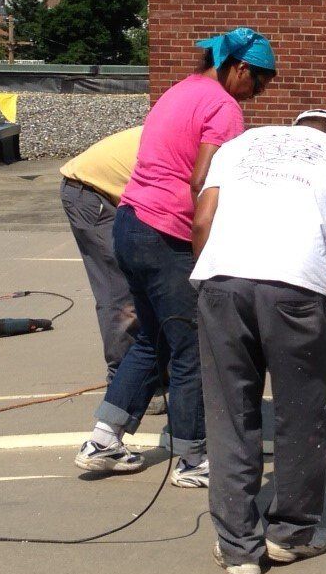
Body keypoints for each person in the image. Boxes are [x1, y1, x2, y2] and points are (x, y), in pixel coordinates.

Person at [74, 27, 275, 487]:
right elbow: (204, 180)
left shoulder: (181, 90)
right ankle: (192, 458)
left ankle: (105, 438)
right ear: (239, 68)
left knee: (153, 341)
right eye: (258, 81)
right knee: (190, 349)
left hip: (129, 224)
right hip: (166, 235)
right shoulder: (224, 107)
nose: (258, 92)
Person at [192, 109, 326, 574]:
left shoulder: (239, 146)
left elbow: (202, 221)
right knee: (302, 413)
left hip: (223, 281)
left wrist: (210, 284)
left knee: (229, 414)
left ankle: (238, 548)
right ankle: (291, 535)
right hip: (298, 292)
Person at [59, 127, 146, 386]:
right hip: (92, 194)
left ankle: (145, 366)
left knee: (147, 280)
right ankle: (122, 380)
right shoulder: (202, 154)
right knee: (119, 289)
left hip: (110, 191)